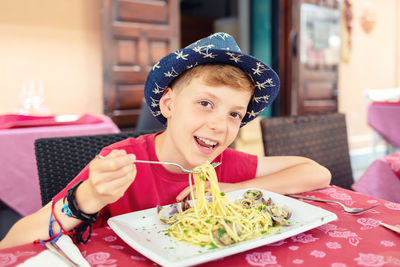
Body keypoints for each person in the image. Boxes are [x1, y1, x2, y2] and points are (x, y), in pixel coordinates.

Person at [0, 32, 330, 249]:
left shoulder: (223, 165)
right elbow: (13, 241)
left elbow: (317, 173)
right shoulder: (122, 160)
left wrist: (233, 190)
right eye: (205, 104)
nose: (219, 125)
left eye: (234, 114)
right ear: (169, 104)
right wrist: (85, 199)